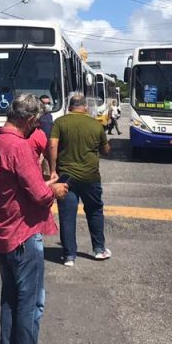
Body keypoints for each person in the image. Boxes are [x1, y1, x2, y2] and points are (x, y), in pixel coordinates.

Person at [0, 92, 69, 344]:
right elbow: (41, 194)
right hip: (23, 233)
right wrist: (54, 190)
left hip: (3, 231)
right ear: (30, 120)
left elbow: (12, 187)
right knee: (30, 303)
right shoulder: (17, 147)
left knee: (10, 300)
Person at [47, 92, 111, 266]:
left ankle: (69, 256)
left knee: (67, 215)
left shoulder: (60, 122)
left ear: (69, 107)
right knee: (95, 211)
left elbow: (52, 144)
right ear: (86, 107)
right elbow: (106, 150)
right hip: (91, 176)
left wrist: (53, 170)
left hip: (66, 176)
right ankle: (98, 250)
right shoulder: (95, 124)